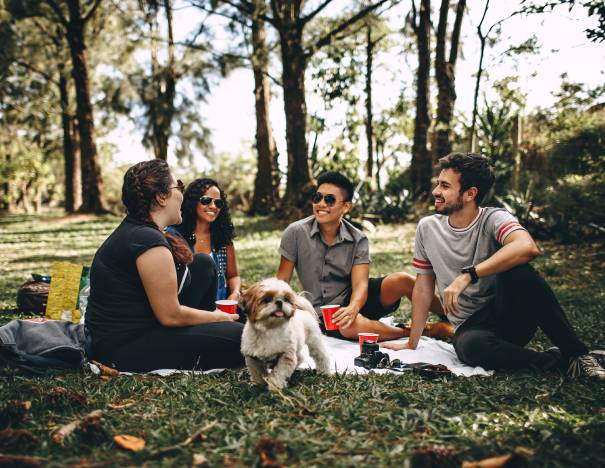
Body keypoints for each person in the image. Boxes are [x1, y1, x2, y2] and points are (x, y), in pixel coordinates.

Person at [383, 152, 605, 380]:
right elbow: (423, 288)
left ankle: (577, 354)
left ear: (470, 194)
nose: (435, 192)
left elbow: (527, 247)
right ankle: (560, 361)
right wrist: (412, 342)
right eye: (438, 184)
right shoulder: (427, 228)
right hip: (471, 328)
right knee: (471, 347)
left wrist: (469, 275)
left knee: (519, 271)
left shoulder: (494, 219)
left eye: (445, 186)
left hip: (508, 314)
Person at [86, 160, 244, 372]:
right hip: (126, 346)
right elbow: (170, 315)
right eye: (178, 186)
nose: (182, 193)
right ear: (161, 197)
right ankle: (217, 330)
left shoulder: (143, 231)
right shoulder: (146, 241)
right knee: (245, 339)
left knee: (203, 264)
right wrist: (218, 317)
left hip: (147, 325)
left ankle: (213, 330)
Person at [276, 171, 447, 341]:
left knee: (403, 280)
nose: (321, 204)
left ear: (346, 207)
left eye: (329, 199)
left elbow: (360, 285)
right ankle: (422, 331)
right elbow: (282, 281)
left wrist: (353, 307)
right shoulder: (295, 232)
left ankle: (451, 317)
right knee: (349, 325)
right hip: (323, 313)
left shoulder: (358, 238)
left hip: (356, 299)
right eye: (317, 197)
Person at [168, 178, 241, 302]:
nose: (213, 206)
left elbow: (233, 275)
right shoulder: (174, 236)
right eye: (206, 200)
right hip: (188, 309)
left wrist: (235, 293)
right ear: (192, 202)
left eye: (218, 203)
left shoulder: (223, 238)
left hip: (221, 308)